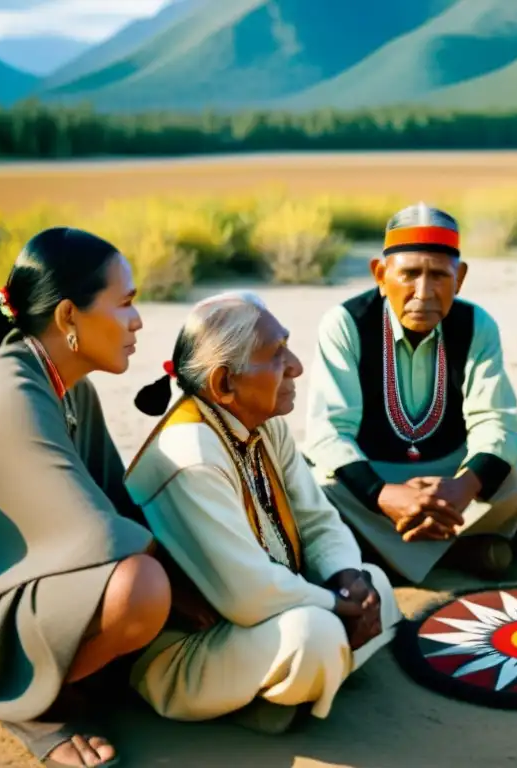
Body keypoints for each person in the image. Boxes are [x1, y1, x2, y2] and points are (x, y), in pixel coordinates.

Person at [126, 291, 401, 733]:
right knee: (316, 634)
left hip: (264, 614)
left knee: (377, 587)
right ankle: (277, 690)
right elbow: (248, 594)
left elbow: (317, 520)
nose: (295, 365)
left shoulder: (265, 421)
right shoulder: (189, 452)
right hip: (187, 651)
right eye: (276, 355)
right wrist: (336, 604)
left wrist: (347, 577)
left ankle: (277, 693)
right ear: (224, 385)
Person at [0, 227, 170, 768]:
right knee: (142, 590)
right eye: (125, 304)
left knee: (162, 578)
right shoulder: (10, 390)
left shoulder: (70, 385)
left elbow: (117, 501)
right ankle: (25, 699)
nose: (137, 321)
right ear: (69, 317)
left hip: (21, 586)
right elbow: (97, 534)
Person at [303, 203, 517, 584]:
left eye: (439, 276)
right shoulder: (345, 323)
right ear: (380, 275)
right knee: (316, 490)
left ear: (459, 278)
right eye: (409, 274)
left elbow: (496, 422)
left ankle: (390, 556)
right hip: (375, 479)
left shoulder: (476, 324)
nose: (424, 292)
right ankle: (458, 550)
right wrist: (386, 495)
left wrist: (462, 488)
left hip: (451, 478)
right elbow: (329, 432)